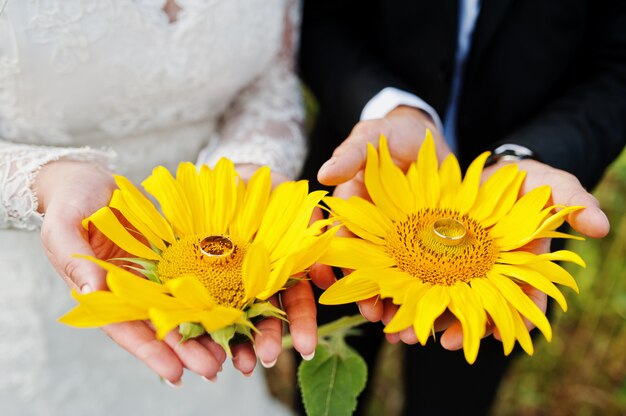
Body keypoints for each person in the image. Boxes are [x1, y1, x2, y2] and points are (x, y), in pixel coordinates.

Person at [298, 0, 626, 414]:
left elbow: (618, 66)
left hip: (515, 219)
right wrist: (388, 106)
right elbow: (320, 18)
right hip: (362, 194)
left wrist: (530, 159)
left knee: (455, 396)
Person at [0, 1, 315, 414]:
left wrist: (250, 175)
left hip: (228, 255)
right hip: (37, 295)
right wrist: (43, 181)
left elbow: (267, 84)